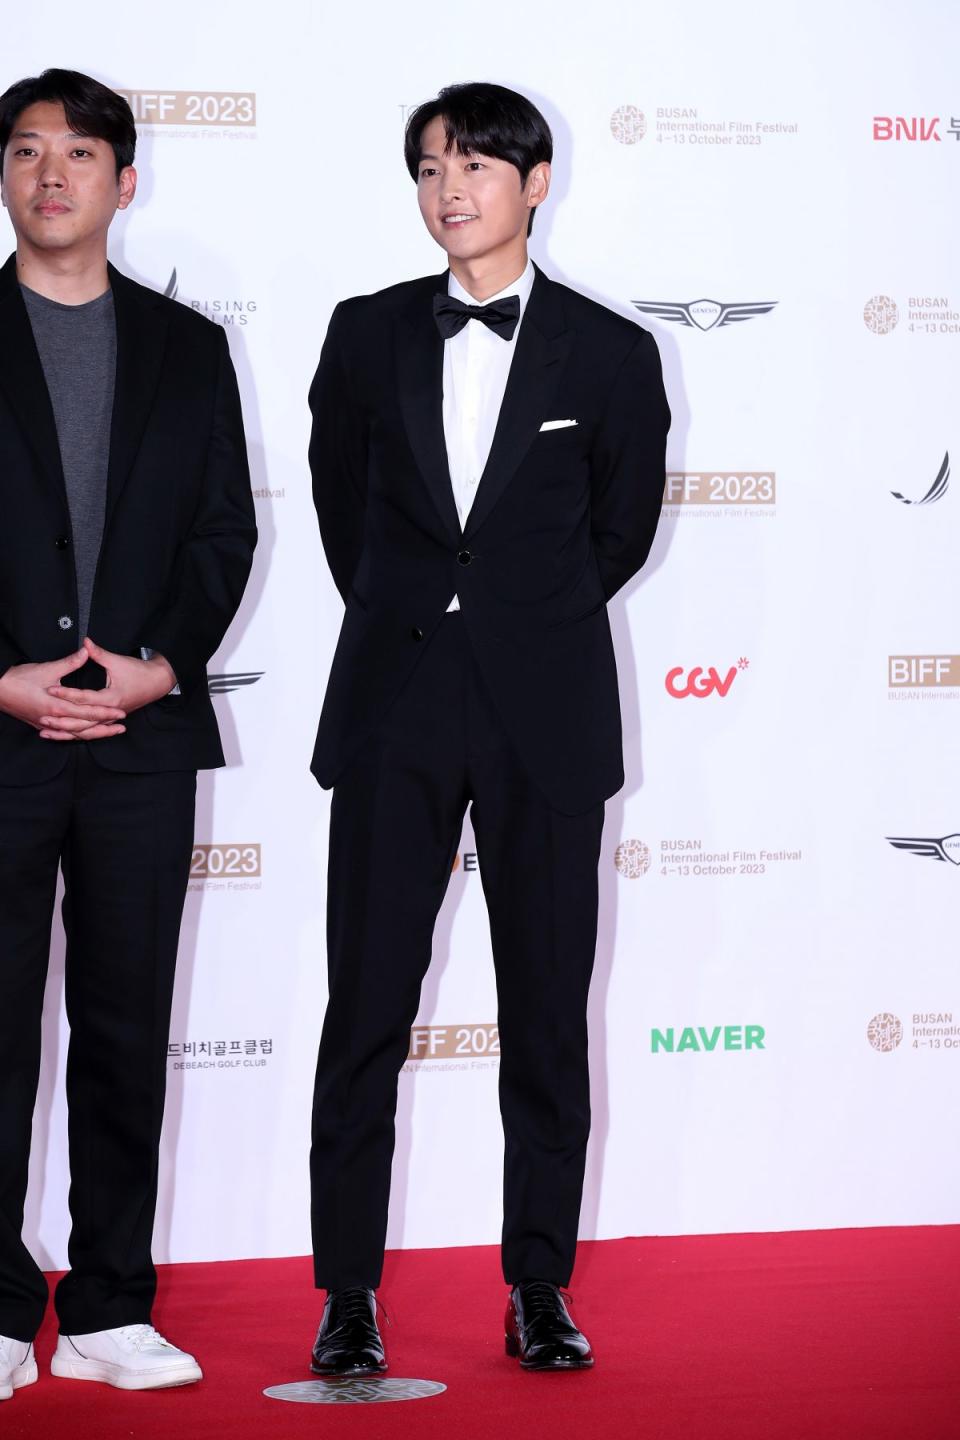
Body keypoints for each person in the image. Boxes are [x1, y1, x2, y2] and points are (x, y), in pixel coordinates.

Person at [308, 81, 669, 1375]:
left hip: (546, 716)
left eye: (471, 165)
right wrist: (419, 614)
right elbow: (339, 503)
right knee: (364, 1014)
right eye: (426, 168)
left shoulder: (614, 355)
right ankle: (345, 1294)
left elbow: (617, 533)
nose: (447, 189)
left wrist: (518, 617)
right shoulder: (364, 334)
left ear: (535, 179)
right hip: (398, 702)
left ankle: (539, 1287)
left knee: (546, 1020)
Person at [0, 69, 255, 1399]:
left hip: (141, 744)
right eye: (29, 151)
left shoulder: (189, 348)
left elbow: (226, 536)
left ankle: (108, 1305)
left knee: (120, 1023)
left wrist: (157, 671)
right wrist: (2, 681)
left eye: (82, 153)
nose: (54, 174)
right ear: (5, 176)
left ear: (124, 181)